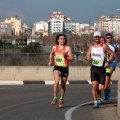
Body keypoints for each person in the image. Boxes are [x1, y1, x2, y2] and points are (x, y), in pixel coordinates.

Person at [85, 31, 114, 109]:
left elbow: (112, 55)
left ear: (100, 37)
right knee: (94, 85)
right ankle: (95, 102)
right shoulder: (91, 47)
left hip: (102, 69)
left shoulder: (104, 46)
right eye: (96, 37)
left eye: (98, 37)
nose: (97, 38)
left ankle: (100, 95)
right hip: (94, 68)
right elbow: (87, 56)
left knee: (101, 88)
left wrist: (108, 62)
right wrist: (88, 58)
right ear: (93, 37)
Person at [48, 34, 73, 108]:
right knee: (56, 81)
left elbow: (72, 58)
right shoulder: (54, 48)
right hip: (57, 67)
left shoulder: (67, 48)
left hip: (65, 68)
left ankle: (61, 99)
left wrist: (66, 56)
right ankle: (55, 98)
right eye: (61, 39)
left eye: (64, 39)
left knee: (63, 85)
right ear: (58, 40)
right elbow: (51, 54)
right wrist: (50, 60)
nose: (63, 40)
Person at [104, 33, 118, 100]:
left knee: (108, 76)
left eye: (110, 38)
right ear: (105, 38)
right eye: (107, 38)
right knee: (106, 79)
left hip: (112, 63)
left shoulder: (114, 45)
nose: (109, 39)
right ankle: (107, 89)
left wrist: (116, 54)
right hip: (105, 63)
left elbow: (118, 52)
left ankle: (107, 92)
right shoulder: (103, 45)